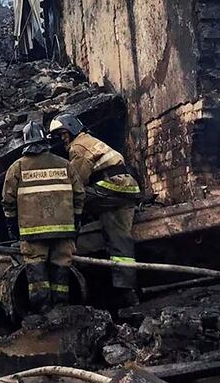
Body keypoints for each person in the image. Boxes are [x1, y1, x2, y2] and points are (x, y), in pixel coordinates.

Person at [48, 113, 142, 306]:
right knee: (119, 239)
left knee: (71, 198)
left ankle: (65, 239)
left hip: (112, 187)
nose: (62, 139)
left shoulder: (78, 147)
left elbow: (76, 183)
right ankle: (126, 291)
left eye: (63, 133)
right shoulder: (89, 141)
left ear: (73, 128)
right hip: (126, 189)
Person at [2, 122, 84, 312]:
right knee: (61, 268)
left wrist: (12, 225)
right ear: (45, 141)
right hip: (63, 231)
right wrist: (76, 220)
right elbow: (79, 194)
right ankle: (62, 309)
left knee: (36, 270)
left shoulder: (17, 168)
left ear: (25, 143)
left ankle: (42, 311)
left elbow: (7, 201)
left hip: (32, 234)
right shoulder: (65, 165)